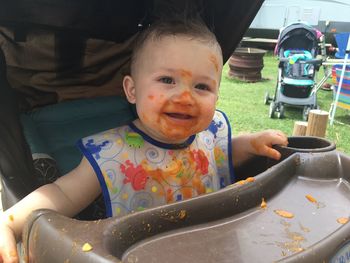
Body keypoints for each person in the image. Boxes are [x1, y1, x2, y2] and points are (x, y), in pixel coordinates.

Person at [0, 18, 288, 263]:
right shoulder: (113, 152)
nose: (185, 97)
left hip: (212, 250)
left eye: (202, 86)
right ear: (132, 90)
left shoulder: (210, 134)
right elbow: (62, 194)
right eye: (167, 80)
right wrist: (9, 222)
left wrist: (250, 144)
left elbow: (219, 156)